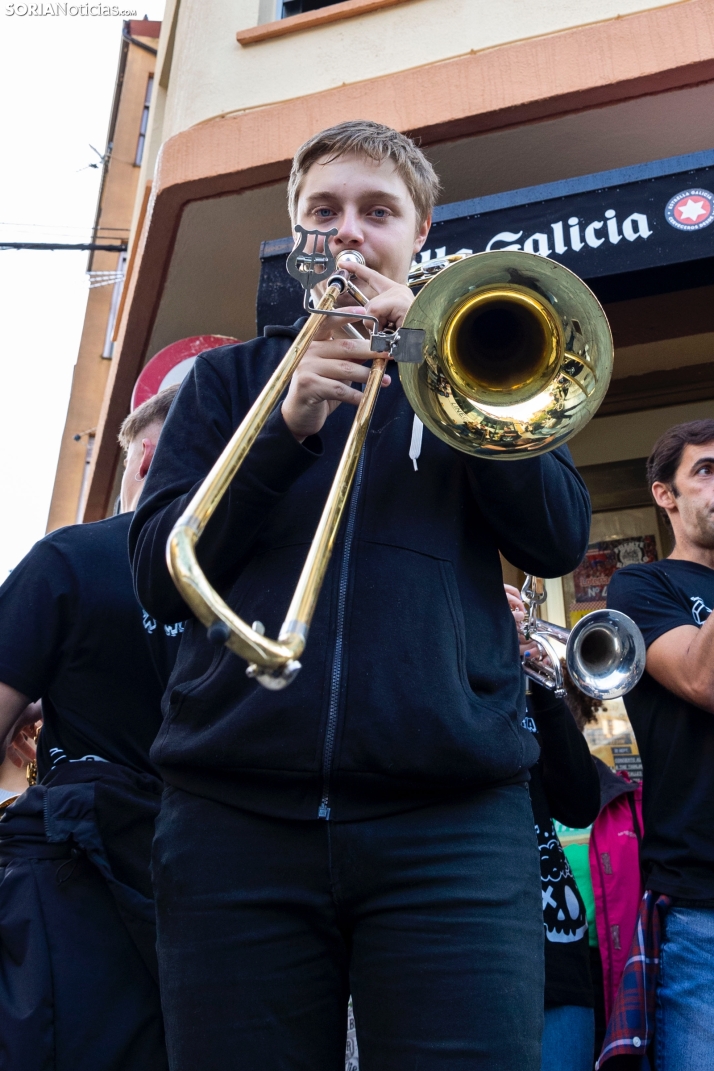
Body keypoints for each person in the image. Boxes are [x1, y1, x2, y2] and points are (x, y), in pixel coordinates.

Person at [130, 120, 591, 1071]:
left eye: (377, 212)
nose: (349, 233)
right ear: (296, 232)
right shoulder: (227, 381)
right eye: (323, 211)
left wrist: (438, 374)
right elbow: (158, 574)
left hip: (450, 824)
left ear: (420, 232)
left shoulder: (471, 368)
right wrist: (285, 425)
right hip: (233, 820)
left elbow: (557, 537)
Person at [0, 385, 182, 1071]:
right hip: (205, 885)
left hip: (77, 891)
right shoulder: (260, 587)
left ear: (145, 457)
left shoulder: (71, 557)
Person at [606, 418, 714, 1070]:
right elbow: (705, 677)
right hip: (704, 906)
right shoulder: (644, 587)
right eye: (706, 470)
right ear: (664, 494)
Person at [507, 584, 601, 1071]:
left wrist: (540, 676)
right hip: (473, 956)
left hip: (557, 956)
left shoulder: (526, 701)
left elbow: (580, 803)